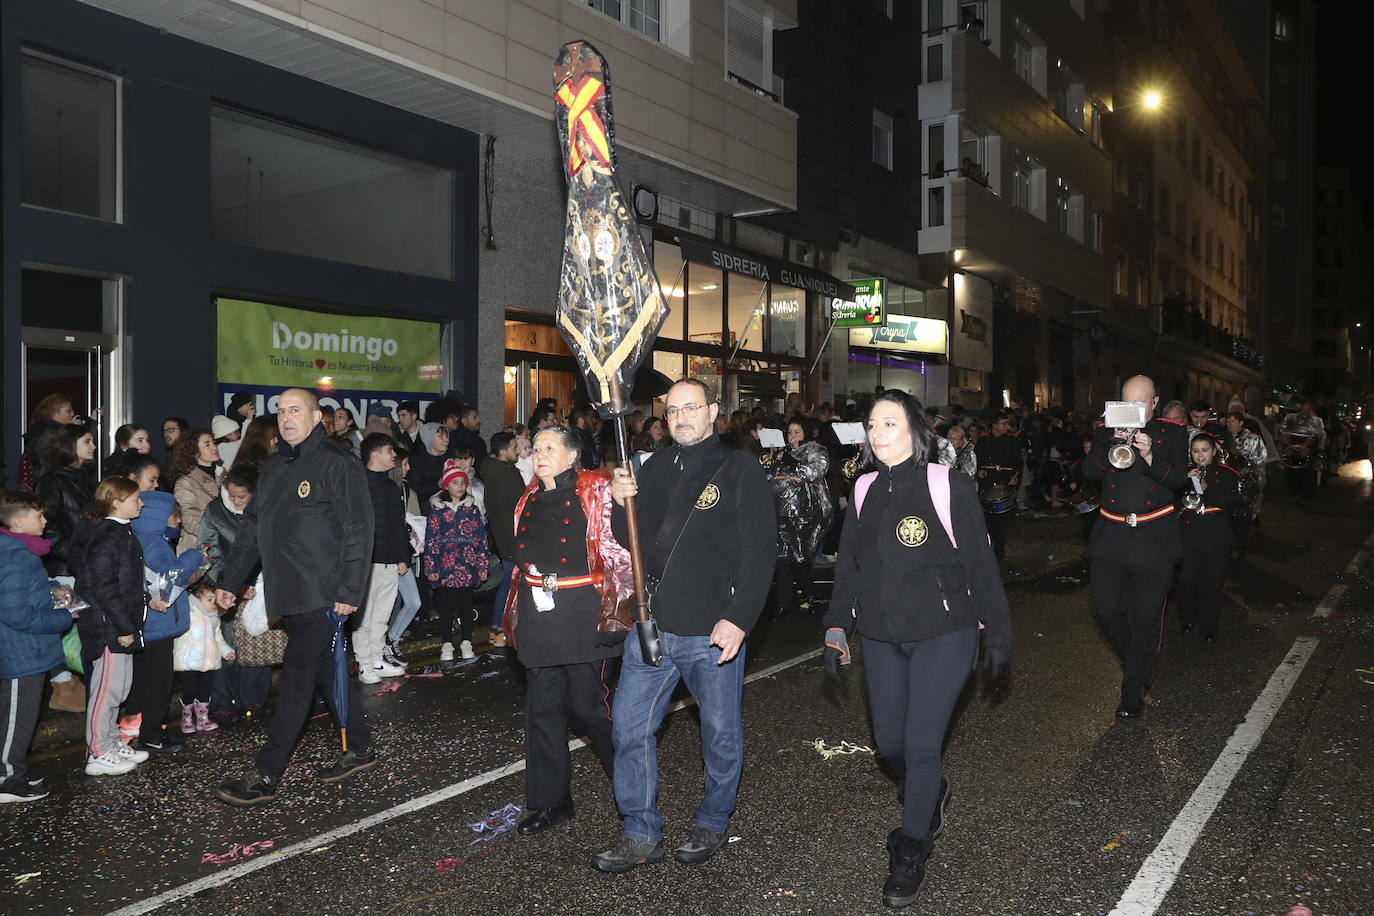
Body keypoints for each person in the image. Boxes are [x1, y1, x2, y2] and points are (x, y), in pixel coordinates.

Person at [821, 390, 1011, 909]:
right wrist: (837, 626)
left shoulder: (947, 484)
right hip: (882, 636)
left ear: (916, 431)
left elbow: (979, 565)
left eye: (890, 423)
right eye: (871, 425)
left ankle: (911, 847)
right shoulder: (862, 488)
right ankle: (931, 791)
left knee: (922, 746)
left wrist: (998, 634)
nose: (878, 433)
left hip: (944, 633)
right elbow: (850, 569)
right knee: (889, 747)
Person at [595, 378, 775, 873]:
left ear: (714, 411)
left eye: (690, 408)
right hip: (652, 629)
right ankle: (639, 831)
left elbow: (760, 552)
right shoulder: (651, 468)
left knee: (719, 733)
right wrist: (617, 500)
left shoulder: (740, 469)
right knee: (629, 729)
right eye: (672, 410)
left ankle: (714, 820)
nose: (680, 417)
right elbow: (631, 542)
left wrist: (740, 618)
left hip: (711, 633)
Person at [213, 388, 376, 806]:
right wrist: (231, 582)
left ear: (316, 417)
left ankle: (266, 774)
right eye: (281, 411)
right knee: (322, 670)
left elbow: (359, 528)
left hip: (323, 592)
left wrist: (349, 590)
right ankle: (359, 746)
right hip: (289, 592)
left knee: (298, 678)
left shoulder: (338, 463)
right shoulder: (273, 468)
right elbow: (252, 529)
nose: (286, 418)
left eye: (295, 410)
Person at [500, 426, 630, 836]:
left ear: (572, 456)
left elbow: (623, 543)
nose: (539, 454)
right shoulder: (528, 498)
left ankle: (632, 789)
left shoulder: (597, 489)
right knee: (543, 715)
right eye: (535, 447)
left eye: (549, 448)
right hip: (540, 618)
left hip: (582, 617)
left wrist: (625, 494)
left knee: (591, 710)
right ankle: (550, 803)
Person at [1081, 375, 1188, 719]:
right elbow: (1090, 472)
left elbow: (1177, 480)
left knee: (1145, 618)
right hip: (1111, 534)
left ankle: (1132, 693)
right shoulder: (1106, 427)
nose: (1133, 410)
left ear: (1154, 404)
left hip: (1154, 537)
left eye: (1140, 403)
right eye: (1127, 403)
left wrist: (1149, 454)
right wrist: (1110, 440)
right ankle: (1137, 664)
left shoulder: (1172, 432)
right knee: (1106, 609)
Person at [0, 490, 81, 803]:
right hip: (21, 650)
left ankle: (13, 767)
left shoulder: (20, 551)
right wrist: (62, 617)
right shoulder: (15, 555)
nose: (45, 521)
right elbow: (14, 612)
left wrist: (50, 592)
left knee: (20, 714)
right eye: (39, 516)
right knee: (17, 716)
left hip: (27, 648)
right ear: (18, 522)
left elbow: (22, 596)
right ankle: (7, 778)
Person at [69, 477, 152, 777]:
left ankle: (110, 742)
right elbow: (105, 588)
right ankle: (98, 751)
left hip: (117, 625)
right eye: (135, 499)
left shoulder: (120, 533)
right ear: (116, 501)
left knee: (118, 689)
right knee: (106, 691)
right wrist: (125, 625)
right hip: (108, 628)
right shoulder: (108, 536)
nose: (141, 503)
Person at [127, 493, 205, 754]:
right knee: (159, 682)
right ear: (157, 518)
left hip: (149, 624)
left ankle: (138, 728)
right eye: (174, 517)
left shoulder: (140, 540)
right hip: (157, 625)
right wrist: (194, 556)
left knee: (143, 679)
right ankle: (152, 734)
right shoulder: (153, 545)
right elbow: (169, 579)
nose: (178, 523)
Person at [355, 434, 410, 685]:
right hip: (367, 563)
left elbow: (399, 525)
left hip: (390, 560)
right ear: (374, 454)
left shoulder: (391, 486)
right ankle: (364, 664)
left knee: (382, 615)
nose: (394, 456)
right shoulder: (357, 485)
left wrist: (402, 556)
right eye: (389, 450)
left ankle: (377, 658)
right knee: (364, 618)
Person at [424, 462, 489, 661]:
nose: (459, 486)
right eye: (455, 483)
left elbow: (481, 539)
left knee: (466, 607)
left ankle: (466, 642)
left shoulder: (473, 510)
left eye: (462, 482)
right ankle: (446, 644)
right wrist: (431, 566)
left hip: (467, 567)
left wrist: (482, 565)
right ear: (446, 486)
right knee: (446, 608)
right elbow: (431, 541)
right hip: (445, 568)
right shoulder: (437, 512)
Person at [768, 419, 831, 617]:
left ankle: (811, 597)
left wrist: (791, 460)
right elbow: (769, 477)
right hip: (781, 512)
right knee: (782, 558)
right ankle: (784, 604)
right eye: (790, 433)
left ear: (806, 434)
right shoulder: (781, 453)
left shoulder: (816, 450)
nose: (793, 436)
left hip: (805, 514)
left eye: (797, 432)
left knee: (800, 556)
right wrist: (774, 461)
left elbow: (814, 472)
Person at [1176, 434, 1237, 641]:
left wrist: (1205, 485)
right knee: (1186, 580)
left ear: (1213, 451)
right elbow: (1174, 503)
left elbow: (1229, 502)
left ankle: (1208, 627)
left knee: (1211, 583)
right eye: (1195, 451)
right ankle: (1188, 620)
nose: (1200, 455)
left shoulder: (1226, 473)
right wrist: (1185, 481)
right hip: (1189, 533)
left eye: (1204, 450)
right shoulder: (1183, 473)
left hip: (1216, 535)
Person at [481, 431, 525, 648]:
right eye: (514, 447)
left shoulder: (495, 472)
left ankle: (501, 627)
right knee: (509, 584)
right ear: (503, 450)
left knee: (509, 583)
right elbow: (522, 505)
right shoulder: (505, 474)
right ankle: (498, 628)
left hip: (505, 538)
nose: (518, 451)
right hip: (512, 539)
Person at [36, 424, 97, 578]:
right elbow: (48, 528)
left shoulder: (86, 480)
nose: (94, 446)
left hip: (85, 565)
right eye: (87, 441)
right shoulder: (52, 481)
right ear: (70, 444)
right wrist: (79, 557)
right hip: (64, 570)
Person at [173, 580, 234, 733]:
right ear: (196, 600)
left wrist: (227, 651)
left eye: (215, 600)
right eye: (209, 599)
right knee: (190, 690)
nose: (213, 604)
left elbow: (218, 638)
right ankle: (186, 718)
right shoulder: (189, 615)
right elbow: (176, 634)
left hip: (208, 662)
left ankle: (202, 719)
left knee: (205, 691)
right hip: (188, 662)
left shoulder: (214, 618)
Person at [973, 412, 1020, 560]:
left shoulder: (1012, 441)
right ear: (994, 425)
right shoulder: (982, 441)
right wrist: (978, 471)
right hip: (987, 483)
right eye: (1004, 424)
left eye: (1008, 424)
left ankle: (999, 550)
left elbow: (1018, 463)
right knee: (986, 519)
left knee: (1002, 521)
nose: (1007, 427)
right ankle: (988, 547)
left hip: (1005, 483)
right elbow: (976, 461)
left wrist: (1015, 478)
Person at [169, 428, 221, 553]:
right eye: (207, 445)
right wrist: (221, 532)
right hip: (198, 549)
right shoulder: (186, 482)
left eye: (213, 443)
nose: (214, 447)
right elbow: (188, 519)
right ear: (193, 451)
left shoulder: (224, 475)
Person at [1223, 411, 1266, 558]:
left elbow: (1260, 464)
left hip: (1247, 485)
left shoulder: (1253, 439)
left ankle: (1241, 548)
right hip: (1227, 485)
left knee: (1243, 518)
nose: (1230, 424)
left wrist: (1246, 470)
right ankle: (1229, 546)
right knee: (1228, 517)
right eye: (1227, 421)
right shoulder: (1222, 438)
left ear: (1241, 423)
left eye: (1233, 421)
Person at [20, 394, 77, 492]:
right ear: (54, 413)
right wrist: (72, 432)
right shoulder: (48, 434)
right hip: (52, 489)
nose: (72, 414)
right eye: (68, 411)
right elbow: (63, 461)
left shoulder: (47, 432)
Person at [1278, 399, 1325, 506]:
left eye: (1308, 410)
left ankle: (1305, 495)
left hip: (1308, 449)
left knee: (1307, 473)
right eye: (1303, 409)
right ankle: (1294, 493)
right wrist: (1284, 438)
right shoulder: (1291, 419)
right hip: (1292, 448)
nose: (1305, 412)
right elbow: (1283, 431)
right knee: (1292, 472)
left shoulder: (1315, 421)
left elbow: (1320, 435)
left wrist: (1313, 440)